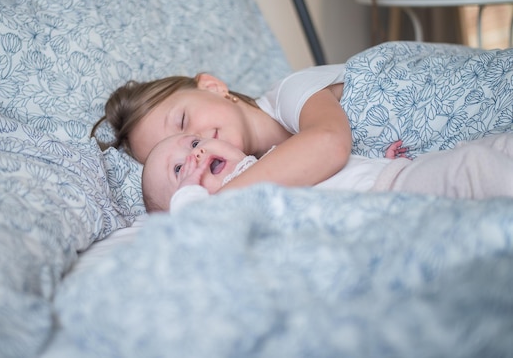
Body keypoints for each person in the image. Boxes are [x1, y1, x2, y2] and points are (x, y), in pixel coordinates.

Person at [92, 65, 354, 193]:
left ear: (212, 87)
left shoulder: (290, 93)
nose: (198, 147)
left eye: (183, 122)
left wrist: (217, 204)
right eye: (182, 161)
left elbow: (329, 143)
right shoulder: (272, 172)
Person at [142, 133, 513, 213]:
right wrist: (188, 195)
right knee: (474, 167)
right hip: (389, 199)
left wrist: (376, 160)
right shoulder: (235, 203)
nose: (197, 155)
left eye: (193, 144)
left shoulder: (270, 157)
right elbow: (194, 224)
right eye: (179, 169)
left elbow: (333, 169)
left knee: (490, 147)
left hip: (399, 174)